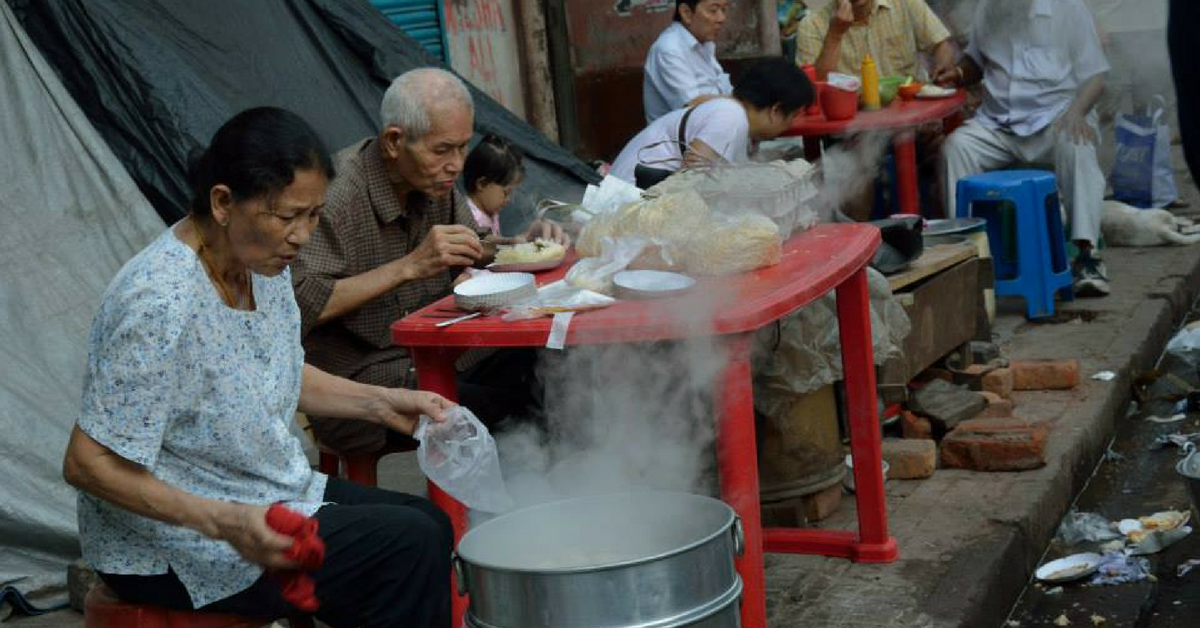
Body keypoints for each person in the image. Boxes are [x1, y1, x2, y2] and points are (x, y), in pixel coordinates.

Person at [62, 107, 457, 628]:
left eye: (314, 215)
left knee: (426, 520)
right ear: (223, 202)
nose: (302, 236)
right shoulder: (159, 301)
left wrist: (382, 403)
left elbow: (279, 369)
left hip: (256, 488)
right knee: (406, 547)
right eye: (287, 216)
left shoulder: (262, 266)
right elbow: (86, 464)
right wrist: (226, 522)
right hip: (166, 542)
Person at [291, 68, 563, 456]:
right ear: (394, 141)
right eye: (442, 150)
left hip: (438, 354)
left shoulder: (435, 184)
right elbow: (300, 304)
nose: (456, 165)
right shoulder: (337, 197)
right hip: (364, 381)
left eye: (463, 147)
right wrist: (409, 266)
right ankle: (491, 512)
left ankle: (549, 498)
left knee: (545, 364)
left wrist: (521, 245)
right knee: (509, 416)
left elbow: (475, 246)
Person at [938, 0, 1112, 297]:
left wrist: (1077, 112)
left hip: (1056, 119)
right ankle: (968, 257)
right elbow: (976, 62)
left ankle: (1087, 256)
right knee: (955, 148)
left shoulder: (1068, 9)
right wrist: (958, 73)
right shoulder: (990, 9)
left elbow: (1096, 76)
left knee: (1078, 145)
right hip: (999, 125)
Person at [611, 57, 815, 187]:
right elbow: (689, 179)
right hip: (625, 202)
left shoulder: (732, 113)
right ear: (776, 110)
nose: (793, 124)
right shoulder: (730, 117)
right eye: (794, 114)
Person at [795, 0, 956, 81]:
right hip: (852, 128)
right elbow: (813, 88)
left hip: (912, 115)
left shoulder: (905, 3)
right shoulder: (812, 25)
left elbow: (941, 44)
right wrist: (835, 35)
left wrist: (942, 67)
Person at [643, 0, 733, 123]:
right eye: (713, 10)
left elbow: (723, 90)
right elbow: (693, 109)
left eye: (724, 10)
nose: (721, 18)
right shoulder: (669, 49)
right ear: (686, 13)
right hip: (682, 139)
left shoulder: (704, 44)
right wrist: (744, 102)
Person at [463, 133, 524, 239]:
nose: (508, 200)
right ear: (482, 184)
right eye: (506, 193)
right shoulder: (467, 218)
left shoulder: (490, 211)